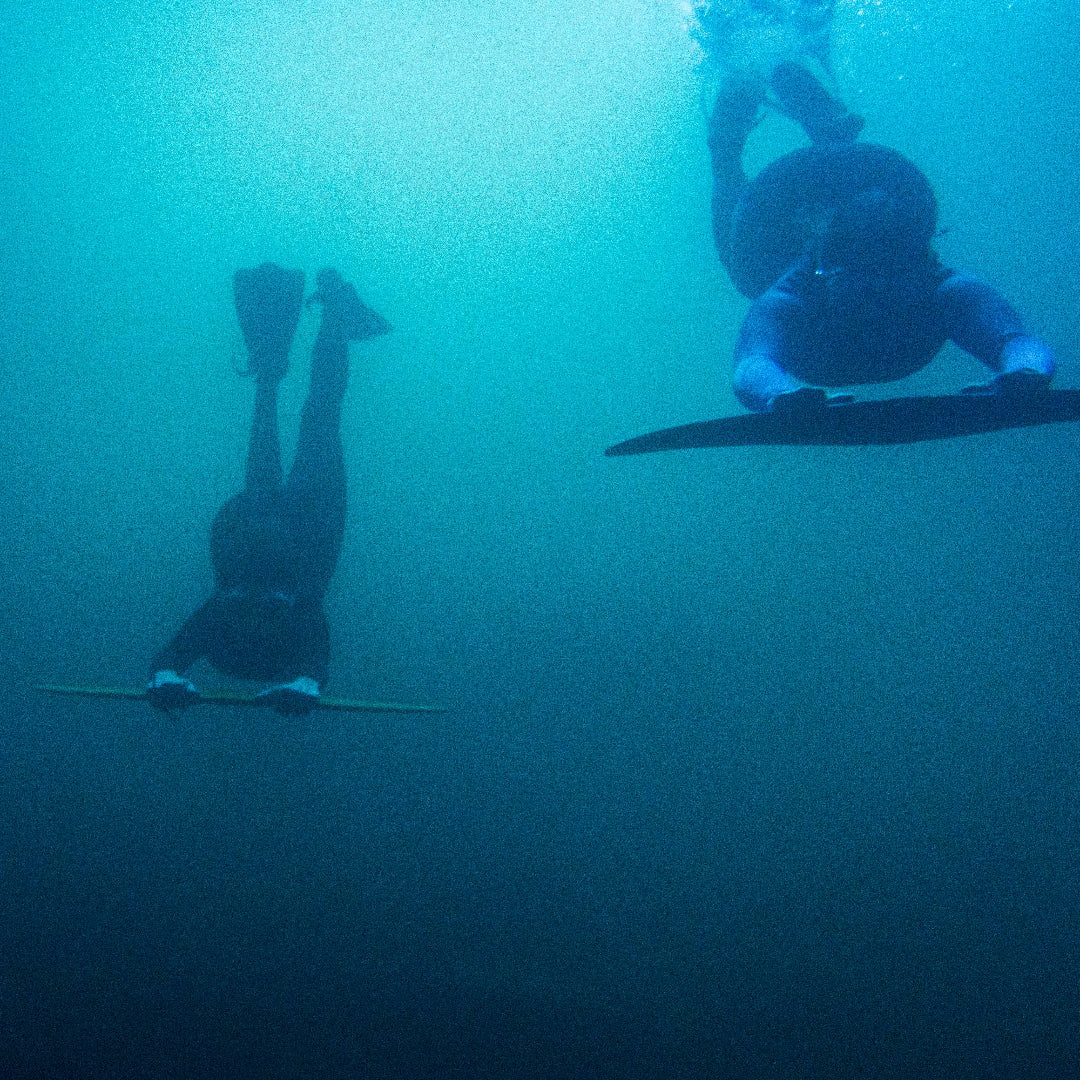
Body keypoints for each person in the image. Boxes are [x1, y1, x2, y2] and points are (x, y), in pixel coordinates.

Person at [707, 61, 1056, 414]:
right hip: (774, 251)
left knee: (755, 207)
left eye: (883, 275)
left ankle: (820, 132)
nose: (872, 291)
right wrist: (778, 395)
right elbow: (754, 363)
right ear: (825, 270)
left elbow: (1014, 341)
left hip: (803, 255)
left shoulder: (939, 284)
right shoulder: (788, 296)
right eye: (857, 277)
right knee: (734, 203)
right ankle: (755, 137)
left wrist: (1024, 373)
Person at [147, 263, 391, 714]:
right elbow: (314, 648)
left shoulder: (224, 615)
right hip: (309, 530)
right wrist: (308, 681)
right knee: (316, 420)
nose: (257, 601)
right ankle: (332, 318)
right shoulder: (291, 614)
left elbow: (172, 655)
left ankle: (311, 334)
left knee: (303, 424)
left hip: (260, 530)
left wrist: (166, 676)